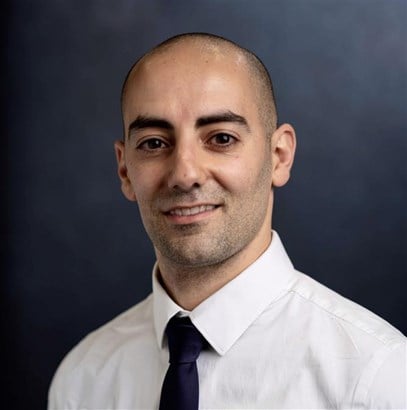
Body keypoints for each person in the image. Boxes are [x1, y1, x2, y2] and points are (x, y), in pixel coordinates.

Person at [48, 33, 406, 409]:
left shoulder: (376, 380)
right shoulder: (83, 380)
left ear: (279, 156)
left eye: (221, 138)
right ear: (124, 170)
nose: (185, 174)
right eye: (153, 143)